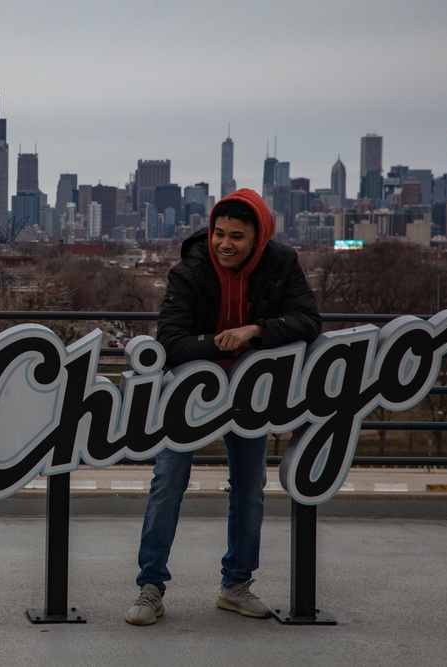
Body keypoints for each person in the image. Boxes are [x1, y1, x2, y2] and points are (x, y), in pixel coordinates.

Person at [126, 188, 321, 626]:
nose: (224, 244)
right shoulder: (190, 269)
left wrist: (254, 330)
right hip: (189, 393)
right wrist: (217, 342)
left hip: (251, 393)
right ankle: (150, 587)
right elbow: (170, 341)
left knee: (249, 489)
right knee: (167, 482)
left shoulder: (282, 265)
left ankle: (236, 586)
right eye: (219, 234)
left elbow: (309, 322)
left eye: (236, 236)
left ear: (258, 239)